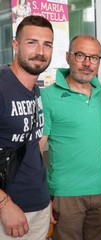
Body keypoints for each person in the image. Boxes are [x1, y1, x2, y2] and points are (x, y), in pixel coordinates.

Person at [39, 34, 101, 240]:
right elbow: (37, 148)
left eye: (94, 57)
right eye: (80, 55)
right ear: (68, 57)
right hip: (66, 194)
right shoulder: (48, 96)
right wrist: (43, 195)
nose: (87, 63)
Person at [0, 15, 53, 239]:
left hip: (39, 206)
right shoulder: (2, 87)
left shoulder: (35, 90)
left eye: (47, 44)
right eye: (32, 42)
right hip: (9, 211)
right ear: (15, 44)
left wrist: (44, 200)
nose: (40, 51)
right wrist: (4, 204)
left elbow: (31, 150)